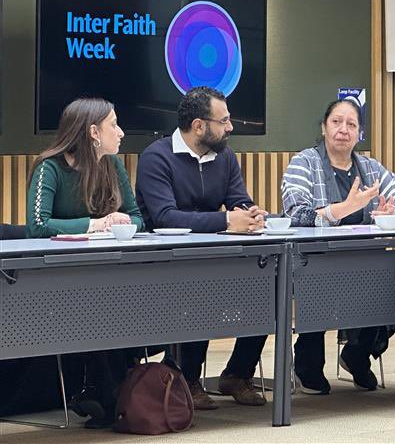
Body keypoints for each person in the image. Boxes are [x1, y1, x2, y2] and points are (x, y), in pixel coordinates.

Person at [135, 86, 268, 410]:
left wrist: (250, 214)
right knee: (199, 291)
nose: (231, 127)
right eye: (223, 120)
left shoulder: (224, 156)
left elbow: (238, 200)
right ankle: (186, 379)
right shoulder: (156, 156)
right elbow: (165, 218)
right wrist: (225, 222)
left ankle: (238, 373)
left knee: (267, 290)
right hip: (166, 262)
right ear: (198, 126)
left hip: (216, 257)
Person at [281, 99, 395, 394]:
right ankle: (307, 364)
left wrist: (394, 214)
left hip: (364, 262)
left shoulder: (370, 168)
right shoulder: (303, 162)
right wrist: (342, 209)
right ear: (324, 127)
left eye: (351, 124)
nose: (343, 130)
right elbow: (295, 214)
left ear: (359, 134)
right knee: (318, 284)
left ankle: (356, 355)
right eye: (336, 122)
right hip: (314, 263)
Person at [26, 97, 145, 427]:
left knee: (134, 306)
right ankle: (107, 397)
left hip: (108, 273)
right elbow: (37, 225)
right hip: (58, 279)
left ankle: (112, 395)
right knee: (97, 310)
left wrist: (122, 224)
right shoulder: (49, 167)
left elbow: (137, 218)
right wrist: (96, 224)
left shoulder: (112, 166)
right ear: (93, 132)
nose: (121, 133)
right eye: (113, 126)